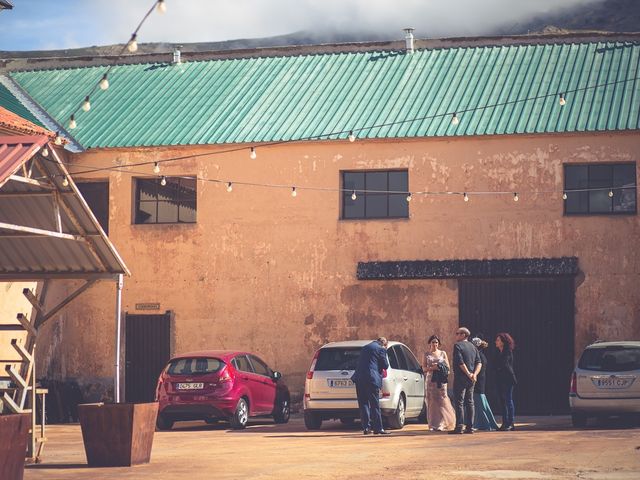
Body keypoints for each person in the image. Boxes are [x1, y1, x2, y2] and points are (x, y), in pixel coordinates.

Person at [351, 337, 391, 435]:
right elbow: (385, 365)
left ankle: (366, 428)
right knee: (374, 404)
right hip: (371, 379)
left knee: (363, 404)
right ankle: (378, 428)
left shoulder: (365, 348)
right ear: (384, 344)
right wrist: (384, 352)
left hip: (359, 378)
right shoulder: (381, 349)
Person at [449, 327, 481, 434]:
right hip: (471, 379)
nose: (456, 335)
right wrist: (474, 375)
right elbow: (479, 362)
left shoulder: (457, 346)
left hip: (461, 378)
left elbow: (460, 362)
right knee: (470, 402)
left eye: (457, 333)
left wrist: (468, 374)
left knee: (459, 402)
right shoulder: (473, 347)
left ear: (463, 335)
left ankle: (459, 427)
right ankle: (470, 427)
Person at [423, 335, 456, 431]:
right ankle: (433, 424)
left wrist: (440, 368)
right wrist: (432, 368)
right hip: (430, 381)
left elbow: (448, 368)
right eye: (433, 342)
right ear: (430, 343)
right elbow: (424, 368)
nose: (435, 344)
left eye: (436, 342)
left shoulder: (443, 353)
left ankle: (443, 423)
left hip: (441, 380)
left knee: (442, 400)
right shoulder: (426, 354)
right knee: (432, 401)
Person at [471, 337, 499, 431]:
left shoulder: (478, 356)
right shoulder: (481, 355)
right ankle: (484, 422)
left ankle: (484, 423)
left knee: (478, 401)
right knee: (480, 401)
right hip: (480, 381)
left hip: (478, 381)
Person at [495, 332, 517, 431]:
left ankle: (511, 423)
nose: (496, 342)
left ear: (503, 342)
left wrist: (499, 368)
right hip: (500, 380)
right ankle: (505, 423)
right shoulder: (499, 352)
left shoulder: (507, 352)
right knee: (502, 401)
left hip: (507, 379)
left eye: (498, 340)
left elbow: (505, 365)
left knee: (508, 400)